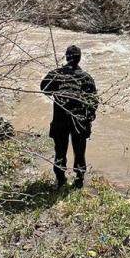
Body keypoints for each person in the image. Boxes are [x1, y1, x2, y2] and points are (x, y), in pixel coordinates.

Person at [40, 45, 99, 189]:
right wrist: (89, 118)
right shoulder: (86, 78)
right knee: (79, 152)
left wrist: (56, 78)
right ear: (79, 59)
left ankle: (60, 180)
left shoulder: (56, 74)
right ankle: (79, 180)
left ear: (66, 57)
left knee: (60, 151)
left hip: (60, 120)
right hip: (79, 121)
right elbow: (93, 101)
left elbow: (44, 89)